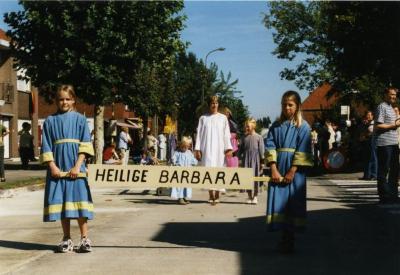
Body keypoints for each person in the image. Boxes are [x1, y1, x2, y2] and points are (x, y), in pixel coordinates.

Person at [40, 84, 94, 253]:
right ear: (57, 101)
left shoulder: (80, 120)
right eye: (61, 99)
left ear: (73, 100)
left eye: (68, 99)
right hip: (58, 169)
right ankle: (66, 238)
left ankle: (84, 239)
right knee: (64, 204)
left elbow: (85, 144)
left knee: (79, 203)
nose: (64, 102)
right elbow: (46, 146)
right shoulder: (50, 121)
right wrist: (52, 166)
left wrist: (78, 166)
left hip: (76, 168)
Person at [264, 90, 313, 254]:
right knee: (280, 204)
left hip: (295, 171)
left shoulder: (303, 127)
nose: (287, 108)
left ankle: (290, 239)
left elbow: (303, 150)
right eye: (284, 104)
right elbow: (270, 146)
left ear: (297, 106)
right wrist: (274, 169)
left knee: (293, 204)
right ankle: (284, 238)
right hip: (278, 169)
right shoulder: (276, 126)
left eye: (290, 105)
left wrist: (292, 171)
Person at [194, 95, 233, 205]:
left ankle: (217, 194)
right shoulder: (203, 118)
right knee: (208, 168)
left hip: (219, 149)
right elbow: (199, 135)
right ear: (209, 105)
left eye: (216, 103)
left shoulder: (223, 118)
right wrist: (197, 149)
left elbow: (226, 135)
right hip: (207, 148)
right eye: (212, 103)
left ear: (218, 104)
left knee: (219, 169)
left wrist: (228, 148)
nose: (214, 105)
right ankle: (211, 194)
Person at [374, 87, 400, 204]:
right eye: (391, 94)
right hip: (384, 143)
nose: (393, 97)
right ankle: (384, 196)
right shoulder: (382, 107)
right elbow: (378, 126)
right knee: (384, 170)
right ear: (385, 95)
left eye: (395, 95)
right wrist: (393, 126)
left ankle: (393, 194)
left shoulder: (391, 108)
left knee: (394, 170)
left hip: (394, 143)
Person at [238, 118, 265, 205]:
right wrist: (238, 158)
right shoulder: (244, 137)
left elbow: (261, 150)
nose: (246, 128)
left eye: (248, 126)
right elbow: (240, 150)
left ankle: (255, 196)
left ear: (253, 126)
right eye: (245, 127)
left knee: (255, 177)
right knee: (247, 178)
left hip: (255, 160)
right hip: (246, 160)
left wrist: (262, 161)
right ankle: (249, 196)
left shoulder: (259, 137)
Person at [170, 136, 198, 205]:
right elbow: (173, 159)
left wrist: (195, 161)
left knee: (186, 186)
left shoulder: (189, 153)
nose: (185, 148)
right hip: (179, 173)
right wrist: (173, 162)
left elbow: (193, 161)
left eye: (187, 147)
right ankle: (180, 198)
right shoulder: (177, 153)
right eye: (184, 146)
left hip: (187, 173)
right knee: (179, 186)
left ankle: (184, 196)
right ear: (181, 146)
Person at [359, 111, 377, 180]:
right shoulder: (366, 124)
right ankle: (367, 175)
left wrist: (365, 136)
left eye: (369, 115)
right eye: (367, 115)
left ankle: (374, 175)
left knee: (373, 158)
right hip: (367, 142)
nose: (368, 116)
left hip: (372, 142)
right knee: (367, 158)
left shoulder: (373, 123)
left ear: (372, 116)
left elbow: (372, 132)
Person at [0, 118, 9, 182]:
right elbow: (8, 131)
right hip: (0, 145)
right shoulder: (1, 126)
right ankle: (2, 177)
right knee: (1, 162)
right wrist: (3, 135)